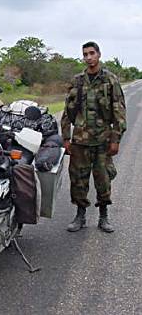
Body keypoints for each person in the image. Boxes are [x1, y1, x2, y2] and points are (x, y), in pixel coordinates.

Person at [61, 41, 127, 233]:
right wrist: (66, 138)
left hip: (103, 140)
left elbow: (119, 112)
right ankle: (80, 215)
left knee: (103, 179)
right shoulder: (77, 81)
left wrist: (116, 139)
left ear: (99, 54)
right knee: (78, 180)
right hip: (80, 141)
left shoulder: (110, 80)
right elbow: (67, 112)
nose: (89, 57)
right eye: (85, 54)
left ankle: (103, 216)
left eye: (92, 53)